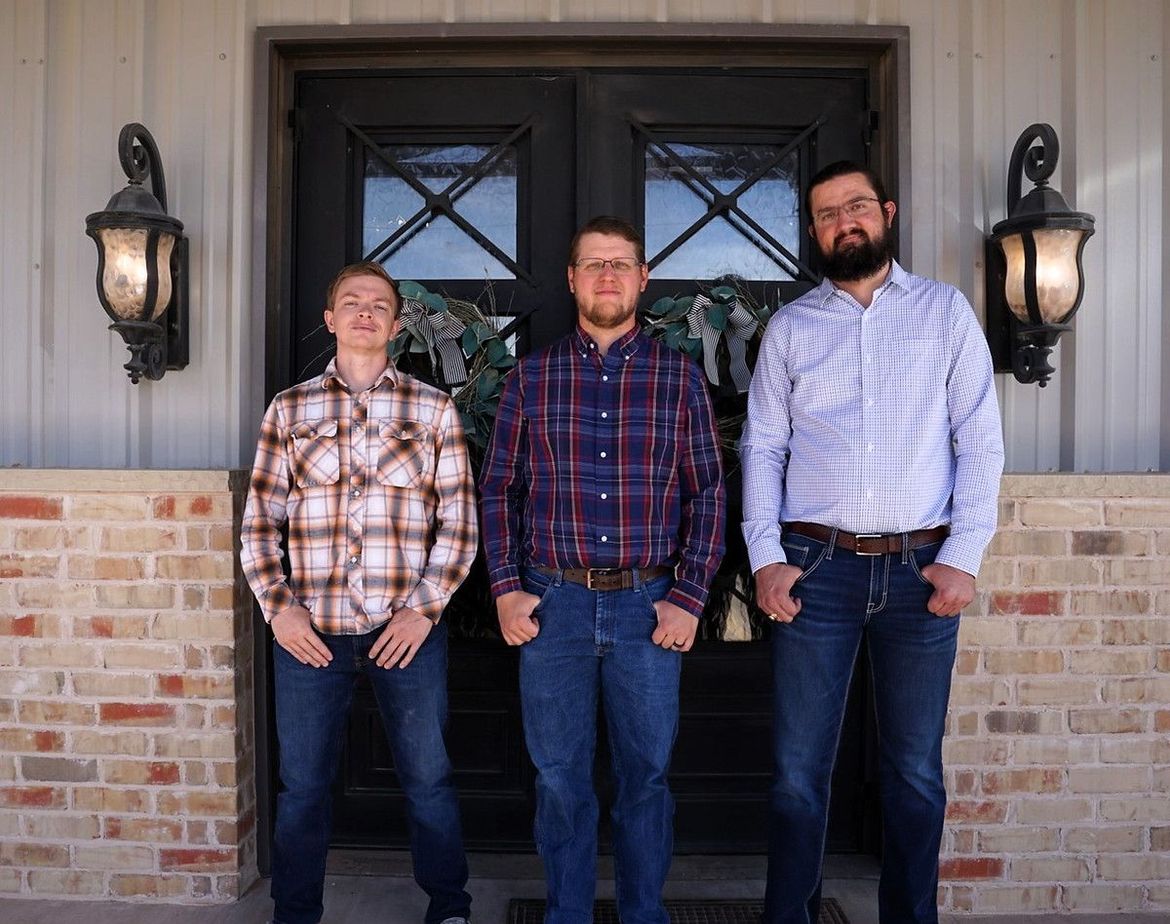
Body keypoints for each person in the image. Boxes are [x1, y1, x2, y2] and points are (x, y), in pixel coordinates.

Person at [740, 162, 1004, 924]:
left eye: (857, 206)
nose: (844, 222)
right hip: (815, 569)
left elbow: (979, 441)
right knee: (797, 774)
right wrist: (765, 557)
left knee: (915, 772)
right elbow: (763, 449)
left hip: (924, 570)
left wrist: (965, 552)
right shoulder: (791, 329)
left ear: (885, 212)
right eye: (828, 214)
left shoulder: (945, 313)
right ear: (815, 232)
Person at [479, 216, 726, 924]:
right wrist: (504, 590)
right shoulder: (533, 377)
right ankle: (568, 914)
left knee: (645, 778)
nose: (608, 276)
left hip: (649, 608)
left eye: (621, 264)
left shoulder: (678, 379)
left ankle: (644, 914)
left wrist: (687, 596)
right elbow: (498, 489)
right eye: (594, 264)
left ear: (643, 279)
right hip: (551, 607)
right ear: (572, 278)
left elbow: (708, 491)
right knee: (559, 780)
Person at [241, 261, 476, 924]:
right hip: (309, 634)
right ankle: (295, 913)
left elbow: (458, 524)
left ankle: (450, 908)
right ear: (330, 319)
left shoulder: (432, 410)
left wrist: (424, 610)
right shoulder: (290, 410)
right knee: (304, 789)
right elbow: (260, 520)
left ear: (397, 325)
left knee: (428, 781)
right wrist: (278, 608)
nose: (365, 312)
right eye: (352, 301)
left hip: (406, 633)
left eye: (379, 304)